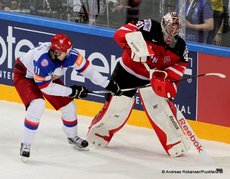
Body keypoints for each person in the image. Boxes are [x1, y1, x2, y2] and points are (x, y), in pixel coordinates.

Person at [87, 12, 191, 157]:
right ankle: (99, 133)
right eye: (169, 28)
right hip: (126, 72)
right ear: (162, 23)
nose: (171, 32)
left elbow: (179, 67)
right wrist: (135, 47)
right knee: (117, 105)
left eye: (175, 30)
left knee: (160, 111)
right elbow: (120, 33)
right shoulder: (148, 26)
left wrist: (165, 77)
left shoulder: (181, 47)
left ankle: (174, 143)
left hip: (150, 80)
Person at [13, 33, 120, 160]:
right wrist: (72, 91)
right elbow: (46, 88)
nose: (69, 53)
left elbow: (89, 71)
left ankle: (72, 137)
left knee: (69, 106)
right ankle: (26, 143)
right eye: (66, 52)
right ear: (57, 52)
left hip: (46, 77)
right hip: (25, 76)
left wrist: (107, 84)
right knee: (37, 105)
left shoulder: (70, 55)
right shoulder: (43, 61)